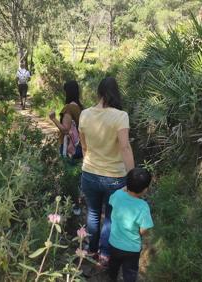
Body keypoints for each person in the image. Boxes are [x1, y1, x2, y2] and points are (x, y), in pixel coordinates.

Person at [78, 77, 135, 266]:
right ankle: (104, 253)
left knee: (93, 213)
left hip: (89, 172)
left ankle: (90, 250)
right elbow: (125, 148)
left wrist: (88, 164)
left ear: (99, 93)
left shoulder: (85, 114)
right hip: (114, 177)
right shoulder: (120, 116)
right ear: (116, 93)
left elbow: (84, 147)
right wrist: (133, 176)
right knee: (110, 216)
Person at [108, 168, 154, 282]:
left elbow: (110, 200)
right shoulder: (143, 206)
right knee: (130, 272)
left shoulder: (117, 195)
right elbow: (144, 229)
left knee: (113, 264)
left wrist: (125, 188)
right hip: (132, 248)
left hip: (114, 242)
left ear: (126, 183)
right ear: (145, 189)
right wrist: (138, 233)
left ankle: (111, 278)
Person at [49, 80, 84, 215]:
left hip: (68, 147)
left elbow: (65, 129)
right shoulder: (81, 108)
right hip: (79, 145)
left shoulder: (68, 108)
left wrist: (53, 118)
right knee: (76, 173)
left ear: (67, 92)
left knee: (69, 175)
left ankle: (71, 206)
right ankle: (77, 203)